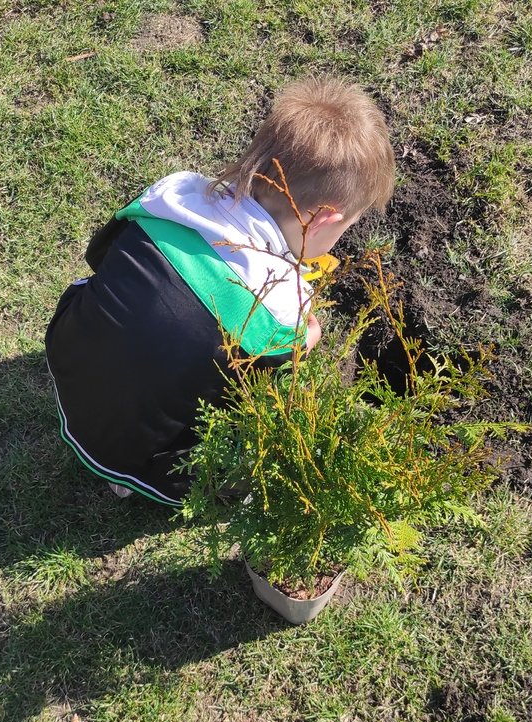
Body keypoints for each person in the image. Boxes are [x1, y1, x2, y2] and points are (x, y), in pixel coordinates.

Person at [44, 75, 396, 505]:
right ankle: (126, 475)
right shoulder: (280, 309)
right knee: (250, 423)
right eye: (348, 226)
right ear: (323, 220)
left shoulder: (174, 195)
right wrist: (305, 337)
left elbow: (100, 257)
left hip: (69, 360)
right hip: (136, 451)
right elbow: (278, 365)